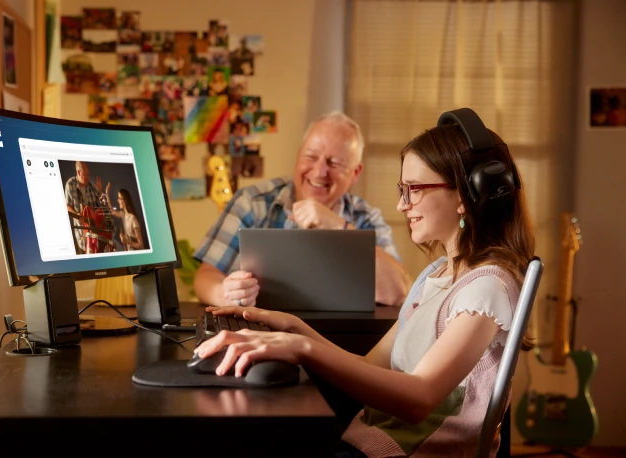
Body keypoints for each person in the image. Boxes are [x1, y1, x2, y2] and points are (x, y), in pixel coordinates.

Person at [195, 112, 535, 457]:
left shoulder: (488, 287)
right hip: (369, 442)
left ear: (465, 194)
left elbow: (419, 399)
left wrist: (302, 349)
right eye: (403, 190)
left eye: (414, 190)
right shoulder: (436, 275)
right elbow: (371, 367)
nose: (402, 205)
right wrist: (296, 328)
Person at [193, 111, 410, 307]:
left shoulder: (366, 218)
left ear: (355, 172)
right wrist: (224, 293)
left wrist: (337, 226)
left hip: (340, 342)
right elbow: (206, 276)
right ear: (298, 157)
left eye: (334, 163)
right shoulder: (252, 202)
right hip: (260, 335)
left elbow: (398, 292)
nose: (319, 171)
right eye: (311, 157)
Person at [64, 161, 105, 254]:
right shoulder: (70, 184)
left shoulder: (90, 186)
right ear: (78, 172)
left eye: (88, 175)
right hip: (82, 237)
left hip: (96, 236)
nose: (88, 178)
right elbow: (67, 206)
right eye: (85, 175)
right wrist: (77, 215)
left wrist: (101, 191)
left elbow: (104, 205)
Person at [106, 185, 144, 251]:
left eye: (119, 198)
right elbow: (111, 211)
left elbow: (141, 245)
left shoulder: (133, 219)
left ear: (125, 201)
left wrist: (126, 241)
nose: (117, 200)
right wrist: (107, 194)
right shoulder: (123, 215)